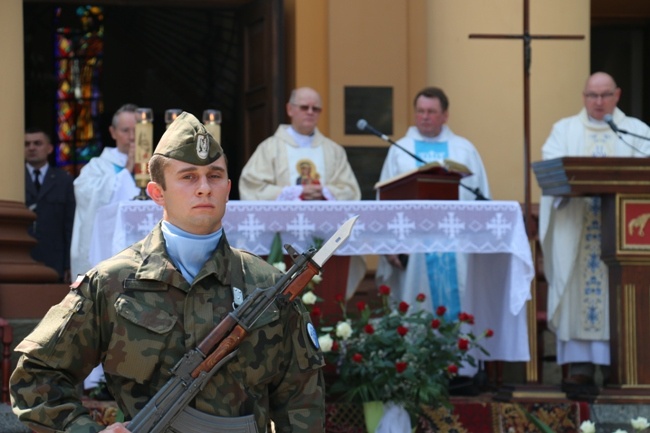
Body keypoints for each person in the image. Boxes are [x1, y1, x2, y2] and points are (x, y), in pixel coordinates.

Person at [10, 112, 326, 433]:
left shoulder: (267, 286)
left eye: (214, 176)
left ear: (228, 188)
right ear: (157, 193)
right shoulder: (112, 283)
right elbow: (37, 376)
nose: (204, 188)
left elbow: (302, 401)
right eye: (188, 177)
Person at [539, 71, 650, 390]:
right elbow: (551, 170)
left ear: (618, 95)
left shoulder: (637, 131)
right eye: (592, 96)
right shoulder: (564, 130)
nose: (598, 102)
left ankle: (623, 363)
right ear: (584, 96)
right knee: (577, 291)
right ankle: (581, 366)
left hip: (622, 234)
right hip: (578, 225)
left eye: (604, 95)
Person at [376, 87, 490, 319]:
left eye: (431, 111)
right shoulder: (401, 150)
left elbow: (481, 197)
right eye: (420, 111)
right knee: (415, 304)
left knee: (459, 298)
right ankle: (418, 354)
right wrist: (389, 244)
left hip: (457, 245)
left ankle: (460, 353)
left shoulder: (464, 150)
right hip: (412, 245)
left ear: (445, 115)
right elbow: (384, 200)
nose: (425, 116)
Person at [239, 86, 361, 201]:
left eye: (316, 109)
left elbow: (350, 190)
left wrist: (324, 192)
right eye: (304, 107)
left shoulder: (334, 151)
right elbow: (252, 187)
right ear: (290, 109)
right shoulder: (269, 148)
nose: (310, 112)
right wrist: (294, 192)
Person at [70, 103, 141, 280]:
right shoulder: (97, 167)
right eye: (125, 130)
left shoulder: (158, 164)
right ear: (112, 132)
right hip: (109, 250)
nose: (132, 137)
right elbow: (84, 194)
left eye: (137, 130)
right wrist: (127, 170)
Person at [24, 127, 76, 283]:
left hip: (54, 261)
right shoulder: (13, 179)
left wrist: (68, 264)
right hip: (23, 257)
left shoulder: (64, 180)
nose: (31, 147)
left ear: (49, 148)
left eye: (37, 143)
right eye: (26, 144)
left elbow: (70, 224)